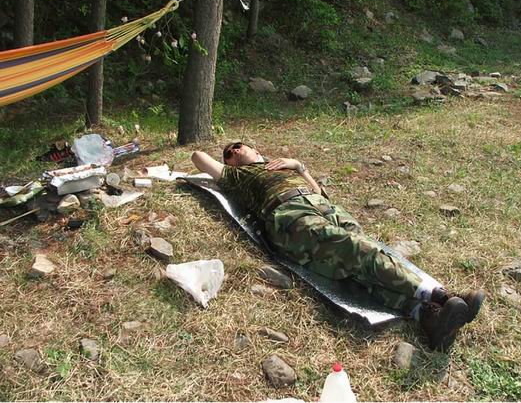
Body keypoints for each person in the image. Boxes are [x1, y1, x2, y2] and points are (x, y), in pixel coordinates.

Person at [191, 141, 484, 351]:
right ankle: (440, 296)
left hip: (323, 207)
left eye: (238, 146)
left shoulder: (283, 167)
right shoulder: (237, 176)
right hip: (290, 216)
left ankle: (428, 317)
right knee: (357, 250)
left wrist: (298, 166)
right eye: (229, 153)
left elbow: (319, 192)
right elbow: (198, 157)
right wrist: (227, 164)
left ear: (256, 149)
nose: (233, 151)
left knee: (362, 263)